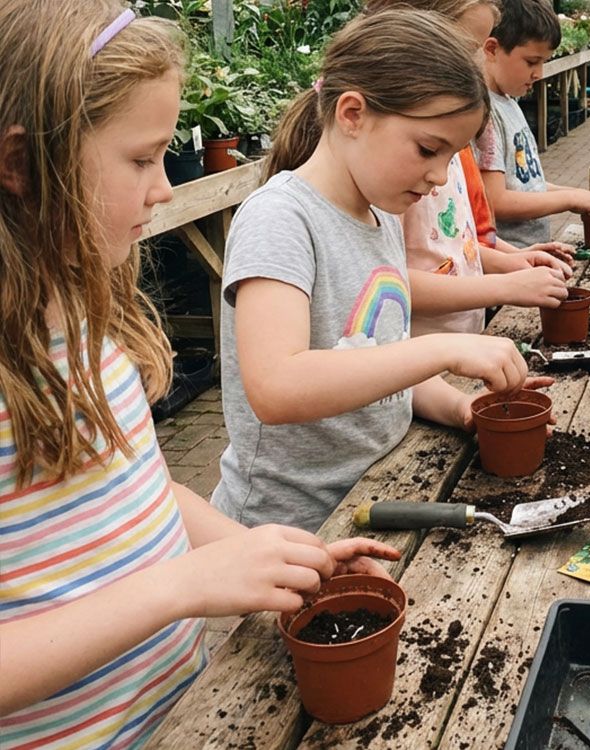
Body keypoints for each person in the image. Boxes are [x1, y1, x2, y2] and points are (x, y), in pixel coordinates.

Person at [0, 3, 398, 746]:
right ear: (22, 165)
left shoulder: (85, 327)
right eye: (141, 158)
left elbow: (140, 491)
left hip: (180, 716)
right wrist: (178, 587)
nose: (161, 189)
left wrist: (266, 552)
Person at [212, 10, 544, 534]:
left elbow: (378, 365)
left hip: (375, 498)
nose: (438, 178)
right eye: (428, 150)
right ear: (352, 114)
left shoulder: (380, 214)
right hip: (287, 529)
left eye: (451, 156)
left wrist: (459, 406)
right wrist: (444, 348)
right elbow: (276, 386)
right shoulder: (279, 218)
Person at [363, 0, 574, 336]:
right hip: (422, 357)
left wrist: (510, 261)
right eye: (472, 47)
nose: (482, 60)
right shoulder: (388, 168)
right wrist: (503, 287)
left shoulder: (442, 148)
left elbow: (456, 243)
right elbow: (382, 280)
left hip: (457, 351)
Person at [475, 0, 590, 248]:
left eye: (543, 62)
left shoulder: (509, 102)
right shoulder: (486, 114)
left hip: (532, 252)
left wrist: (573, 193)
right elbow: (495, 200)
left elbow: (526, 185)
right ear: (492, 49)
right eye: (531, 62)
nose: (539, 73)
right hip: (509, 258)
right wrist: (568, 199)